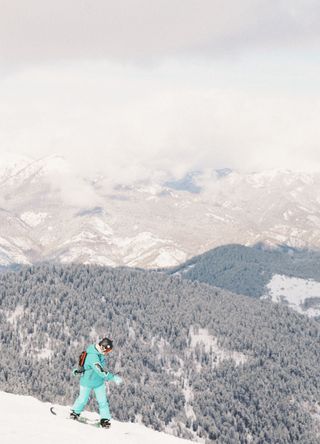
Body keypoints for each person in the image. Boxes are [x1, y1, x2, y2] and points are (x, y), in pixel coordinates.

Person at [70, 337, 122, 428]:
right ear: (103, 347)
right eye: (108, 350)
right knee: (82, 399)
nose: (108, 353)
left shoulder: (99, 353)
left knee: (103, 401)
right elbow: (100, 371)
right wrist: (113, 377)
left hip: (98, 382)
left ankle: (105, 419)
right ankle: (75, 412)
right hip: (87, 382)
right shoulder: (93, 356)